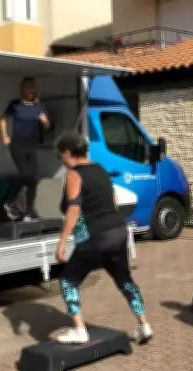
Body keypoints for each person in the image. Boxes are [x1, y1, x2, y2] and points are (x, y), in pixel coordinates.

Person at [54, 131, 153, 345]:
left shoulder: (74, 174)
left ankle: (80, 331)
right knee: (125, 281)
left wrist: (62, 242)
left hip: (96, 236)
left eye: (60, 155)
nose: (60, 160)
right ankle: (144, 325)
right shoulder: (100, 169)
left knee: (68, 282)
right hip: (118, 231)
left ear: (68, 152)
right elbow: (114, 199)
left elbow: (73, 209)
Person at [0, 76, 50, 222]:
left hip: (32, 145)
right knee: (26, 174)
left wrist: (45, 121)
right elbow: (3, 119)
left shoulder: (39, 106)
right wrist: (5, 136)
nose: (30, 90)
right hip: (17, 144)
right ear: (22, 88)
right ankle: (9, 201)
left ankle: (29, 213)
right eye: (28, 87)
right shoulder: (15, 105)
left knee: (33, 179)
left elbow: (47, 126)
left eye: (32, 87)